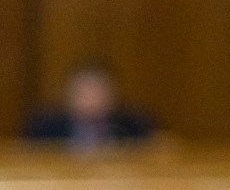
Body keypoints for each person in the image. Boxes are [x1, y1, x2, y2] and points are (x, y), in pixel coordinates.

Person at [21, 60, 155, 149]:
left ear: (113, 95)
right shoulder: (45, 125)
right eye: (84, 91)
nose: (91, 99)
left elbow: (159, 151)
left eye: (98, 91)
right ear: (69, 94)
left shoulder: (134, 123)